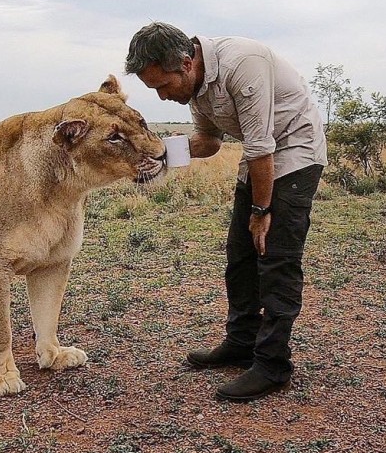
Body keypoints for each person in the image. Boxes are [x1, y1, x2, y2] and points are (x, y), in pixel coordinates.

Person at [125, 22, 327, 401]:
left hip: (294, 154)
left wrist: (261, 209)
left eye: (163, 86)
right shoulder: (197, 87)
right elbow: (209, 142)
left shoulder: (242, 64)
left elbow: (261, 147)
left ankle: (272, 364)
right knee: (240, 256)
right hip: (259, 159)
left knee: (275, 258)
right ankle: (241, 342)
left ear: (185, 63)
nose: (163, 96)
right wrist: (158, 154)